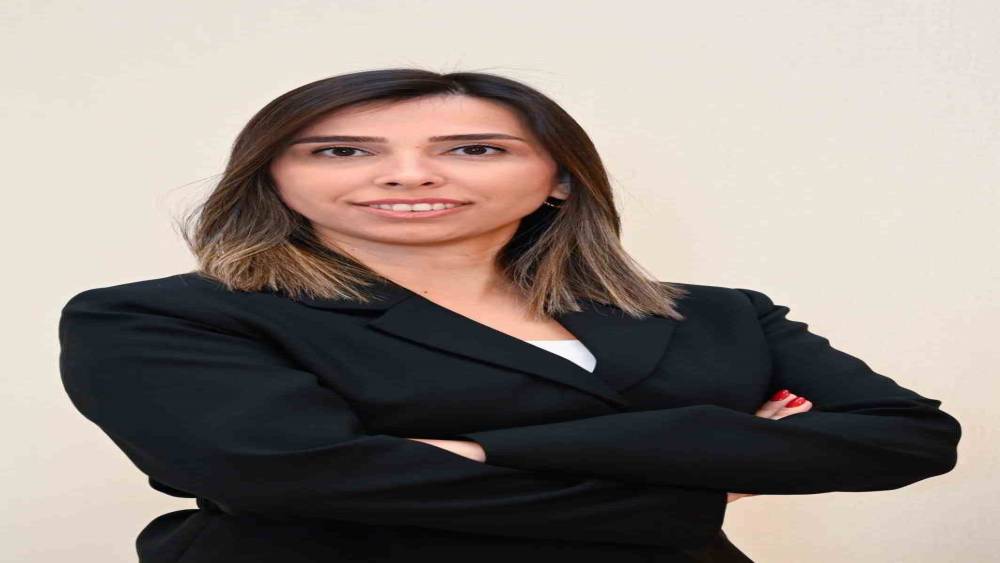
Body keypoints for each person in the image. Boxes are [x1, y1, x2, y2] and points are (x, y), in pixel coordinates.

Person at [58, 68, 961, 563]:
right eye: (341, 151)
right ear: (275, 178)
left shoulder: (715, 314)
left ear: (559, 177)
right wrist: (706, 462)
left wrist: (479, 449)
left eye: (473, 149)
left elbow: (908, 438)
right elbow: (294, 479)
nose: (408, 174)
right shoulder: (162, 318)